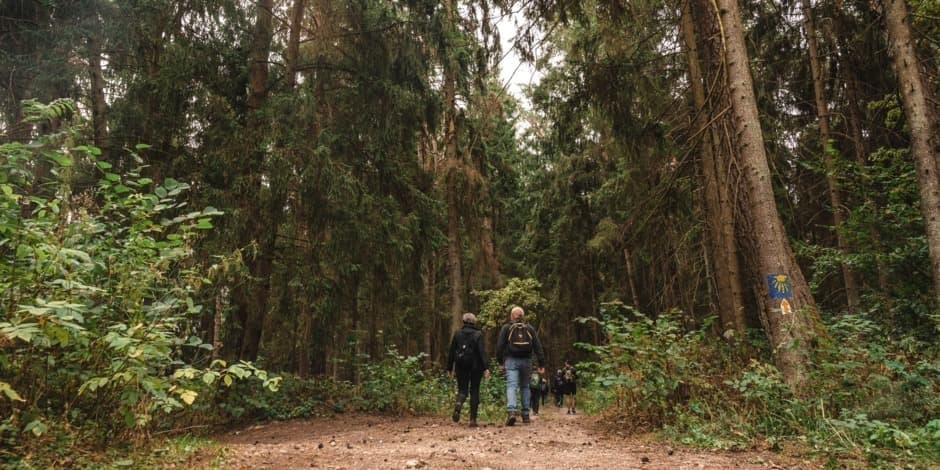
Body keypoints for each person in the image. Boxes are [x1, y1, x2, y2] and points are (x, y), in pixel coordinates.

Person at [496, 306, 546, 426]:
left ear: (512, 315)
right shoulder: (529, 328)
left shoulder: (507, 327)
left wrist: (500, 362)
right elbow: (537, 346)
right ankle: (525, 415)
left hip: (511, 360)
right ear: (522, 316)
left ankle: (512, 412)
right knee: (525, 386)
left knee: (511, 386)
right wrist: (541, 363)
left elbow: (500, 346)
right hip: (527, 361)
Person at [445, 312, 490, 427]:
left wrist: (449, 367)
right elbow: (481, 352)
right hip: (476, 367)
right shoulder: (478, 334)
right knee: (474, 391)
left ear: (463, 321)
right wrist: (486, 367)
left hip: (461, 365)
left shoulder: (457, 334)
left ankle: (459, 403)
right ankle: (473, 420)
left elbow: (451, 351)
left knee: (462, 390)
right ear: (474, 322)